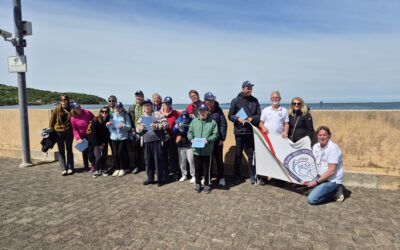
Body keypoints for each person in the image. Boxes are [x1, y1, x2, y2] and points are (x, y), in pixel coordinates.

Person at [228, 80, 261, 185]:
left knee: (252, 155)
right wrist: (237, 119)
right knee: (238, 155)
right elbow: (230, 115)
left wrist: (252, 118)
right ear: (243, 88)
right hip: (239, 132)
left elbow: (259, 115)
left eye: (251, 87)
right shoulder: (236, 100)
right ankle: (237, 176)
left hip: (251, 132)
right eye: (248, 87)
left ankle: (252, 175)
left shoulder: (255, 100)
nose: (250, 89)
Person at [307, 126, 344, 205]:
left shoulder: (333, 148)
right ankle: (325, 189)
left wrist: (316, 182)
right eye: (320, 135)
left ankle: (336, 190)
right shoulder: (315, 146)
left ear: (329, 136)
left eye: (324, 135)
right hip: (320, 177)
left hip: (331, 180)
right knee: (303, 187)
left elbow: (331, 171)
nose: (322, 137)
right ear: (317, 136)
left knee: (312, 199)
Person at [258, 91, 289, 185]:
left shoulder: (284, 110)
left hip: (279, 139)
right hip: (267, 138)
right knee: (265, 157)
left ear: (280, 99)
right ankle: (263, 177)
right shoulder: (265, 110)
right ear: (271, 99)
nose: (275, 99)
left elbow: (286, 123)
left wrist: (285, 131)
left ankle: (277, 178)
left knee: (278, 158)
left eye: (277, 97)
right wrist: (263, 127)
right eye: (273, 98)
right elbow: (261, 123)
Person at [136, 98, 169, 187]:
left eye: (148, 105)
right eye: (145, 105)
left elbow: (166, 124)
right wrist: (140, 128)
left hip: (157, 141)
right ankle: (150, 178)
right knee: (148, 161)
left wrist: (156, 125)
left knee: (158, 161)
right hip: (146, 142)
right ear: (143, 107)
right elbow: (137, 128)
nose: (147, 107)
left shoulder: (157, 114)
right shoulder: (141, 117)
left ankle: (160, 179)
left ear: (151, 106)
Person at [187, 103, 218, 194]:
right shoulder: (194, 121)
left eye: (204, 110)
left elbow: (215, 134)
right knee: (197, 168)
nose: (203, 112)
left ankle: (207, 184)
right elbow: (190, 132)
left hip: (207, 150)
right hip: (196, 150)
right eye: (201, 110)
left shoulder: (212, 122)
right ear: (198, 111)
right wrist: (191, 139)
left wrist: (208, 140)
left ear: (207, 111)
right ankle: (197, 184)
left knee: (206, 169)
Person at [204, 92, 227, 186]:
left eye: (213, 100)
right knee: (207, 160)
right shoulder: (202, 109)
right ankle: (208, 177)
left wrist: (222, 138)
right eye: (210, 100)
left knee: (219, 160)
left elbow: (223, 124)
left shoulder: (218, 109)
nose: (212, 101)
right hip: (206, 141)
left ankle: (221, 177)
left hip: (217, 140)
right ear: (205, 101)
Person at [49, 95, 74, 176]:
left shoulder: (71, 109)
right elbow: (52, 121)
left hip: (69, 132)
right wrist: (51, 131)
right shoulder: (57, 109)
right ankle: (63, 168)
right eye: (62, 99)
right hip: (58, 132)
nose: (63, 101)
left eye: (65, 99)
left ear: (68, 100)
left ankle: (70, 167)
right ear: (60, 101)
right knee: (61, 151)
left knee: (69, 150)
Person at [106, 101, 131, 177]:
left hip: (122, 137)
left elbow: (129, 127)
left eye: (119, 107)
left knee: (120, 153)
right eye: (116, 107)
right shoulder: (112, 115)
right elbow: (110, 127)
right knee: (115, 154)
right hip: (113, 137)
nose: (118, 108)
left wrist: (123, 125)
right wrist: (107, 124)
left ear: (122, 108)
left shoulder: (125, 115)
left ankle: (122, 169)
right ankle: (117, 169)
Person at [159, 96, 181, 180]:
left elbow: (183, 119)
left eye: (169, 103)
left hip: (172, 138)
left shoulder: (176, 113)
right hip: (162, 138)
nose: (167, 105)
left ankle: (175, 172)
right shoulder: (158, 113)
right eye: (166, 103)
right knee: (163, 156)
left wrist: (179, 134)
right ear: (163, 103)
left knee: (173, 156)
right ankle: (165, 173)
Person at [70, 102, 95, 172]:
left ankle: (93, 165)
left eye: (79, 106)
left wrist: (91, 124)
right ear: (73, 109)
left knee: (91, 151)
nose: (79, 108)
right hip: (82, 137)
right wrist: (78, 138)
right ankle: (86, 166)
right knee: (84, 152)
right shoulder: (72, 118)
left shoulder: (87, 112)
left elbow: (95, 119)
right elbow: (74, 130)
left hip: (90, 135)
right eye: (76, 108)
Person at [172, 111, 196, 183]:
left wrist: (186, 130)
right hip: (181, 144)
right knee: (182, 161)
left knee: (191, 161)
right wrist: (177, 128)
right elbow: (173, 130)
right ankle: (184, 175)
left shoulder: (192, 120)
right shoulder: (179, 120)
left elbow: (194, 131)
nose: (184, 121)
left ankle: (193, 175)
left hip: (189, 144)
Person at [90, 107, 110, 177]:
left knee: (104, 156)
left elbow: (107, 134)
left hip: (104, 142)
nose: (104, 113)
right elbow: (93, 134)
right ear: (100, 112)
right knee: (98, 157)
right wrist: (98, 145)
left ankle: (104, 169)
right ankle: (97, 169)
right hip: (96, 142)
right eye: (103, 112)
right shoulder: (95, 120)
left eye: (106, 112)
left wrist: (104, 143)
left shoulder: (108, 121)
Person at [128, 90, 145, 174]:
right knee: (136, 150)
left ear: (143, 97)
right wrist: (132, 128)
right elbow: (129, 119)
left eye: (140, 96)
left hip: (145, 131)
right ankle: (137, 166)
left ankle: (148, 166)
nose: (138, 97)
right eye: (137, 96)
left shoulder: (147, 105)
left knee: (146, 150)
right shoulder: (132, 107)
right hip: (135, 131)